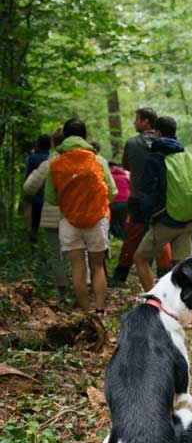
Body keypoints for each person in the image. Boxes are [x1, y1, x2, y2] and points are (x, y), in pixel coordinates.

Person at [45, 119, 117, 314]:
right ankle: (100, 310)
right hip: (97, 219)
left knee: (77, 267)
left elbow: (50, 198)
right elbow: (112, 191)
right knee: (98, 267)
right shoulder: (98, 161)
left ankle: (86, 313)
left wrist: (70, 201)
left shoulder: (56, 163)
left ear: (65, 137)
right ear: (84, 137)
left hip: (69, 221)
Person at [133, 116, 192, 289]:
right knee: (184, 266)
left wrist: (148, 215)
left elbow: (147, 190)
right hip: (188, 220)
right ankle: (187, 305)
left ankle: (154, 303)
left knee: (140, 258)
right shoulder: (187, 156)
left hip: (165, 221)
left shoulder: (155, 158)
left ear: (157, 132)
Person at [111, 107, 172, 283]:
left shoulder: (132, 143)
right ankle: (165, 274)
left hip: (137, 197)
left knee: (132, 236)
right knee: (161, 236)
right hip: (162, 199)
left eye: (137, 119)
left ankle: (120, 274)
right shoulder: (166, 143)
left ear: (145, 121)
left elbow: (127, 166)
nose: (134, 122)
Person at [22, 128, 69, 300]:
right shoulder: (86, 160)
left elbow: (28, 187)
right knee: (80, 254)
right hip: (77, 213)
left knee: (57, 255)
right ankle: (84, 291)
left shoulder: (50, 163)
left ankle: (63, 293)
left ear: (54, 144)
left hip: (51, 213)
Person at [22, 134, 51, 240]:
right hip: (47, 196)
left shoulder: (31, 158)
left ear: (37, 144)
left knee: (33, 223)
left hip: (33, 195)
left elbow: (27, 176)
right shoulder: (52, 158)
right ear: (50, 145)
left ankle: (33, 241)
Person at [108, 161, 130, 240]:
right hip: (125, 203)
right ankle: (123, 240)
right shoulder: (124, 177)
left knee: (110, 223)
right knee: (123, 224)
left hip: (113, 203)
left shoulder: (109, 178)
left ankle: (111, 241)